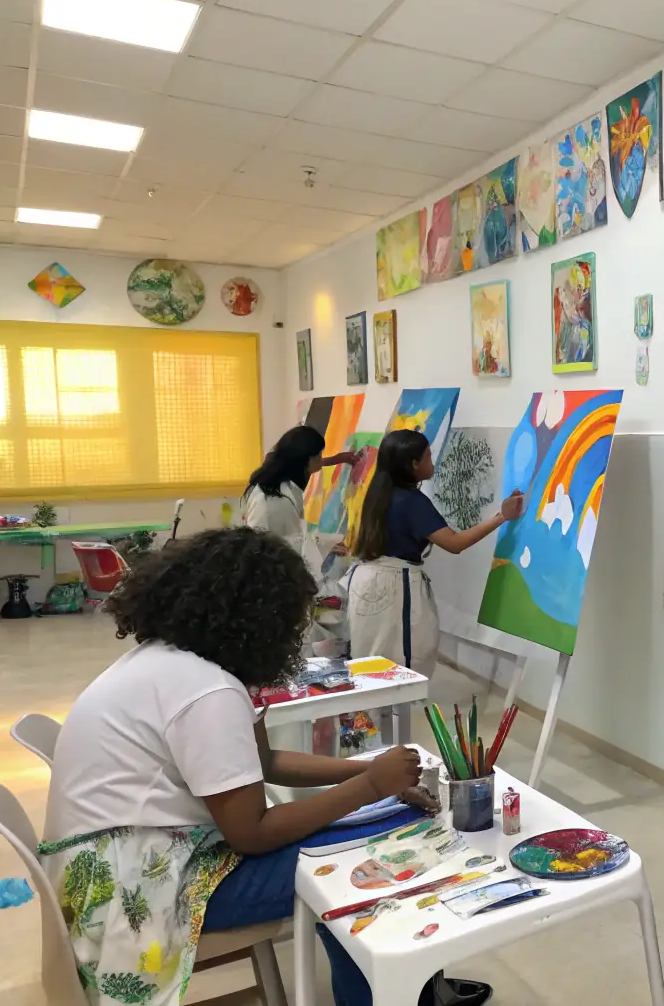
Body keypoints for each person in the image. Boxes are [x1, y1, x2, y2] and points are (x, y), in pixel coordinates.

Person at [39, 527, 491, 1006]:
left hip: (114, 868)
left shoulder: (173, 661)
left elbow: (260, 762)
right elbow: (251, 833)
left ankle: (414, 990)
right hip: (136, 894)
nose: (297, 635)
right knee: (360, 867)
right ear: (258, 619)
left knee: (351, 837)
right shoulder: (206, 691)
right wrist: (370, 785)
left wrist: (365, 773)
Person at [347, 428, 523, 675]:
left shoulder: (379, 492)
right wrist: (502, 516)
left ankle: (374, 715)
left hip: (367, 580)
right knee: (403, 663)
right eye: (428, 455)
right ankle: (393, 715)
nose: (434, 460)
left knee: (372, 661)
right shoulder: (411, 501)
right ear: (413, 464)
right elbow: (454, 543)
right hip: (394, 586)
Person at [243, 425, 359, 544]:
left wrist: (333, 460)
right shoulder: (280, 501)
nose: (321, 458)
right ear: (304, 460)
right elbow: (293, 545)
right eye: (319, 455)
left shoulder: (276, 471)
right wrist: (328, 543)